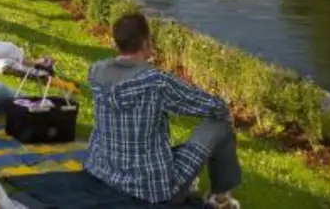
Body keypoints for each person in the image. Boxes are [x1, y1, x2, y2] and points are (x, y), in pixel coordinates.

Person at [86, 12, 242, 208]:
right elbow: (203, 103)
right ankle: (220, 198)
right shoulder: (155, 81)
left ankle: (204, 188)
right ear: (145, 42)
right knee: (220, 124)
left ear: (118, 43)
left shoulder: (96, 71)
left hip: (106, 172)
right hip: (152, 188)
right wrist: (225, 111)